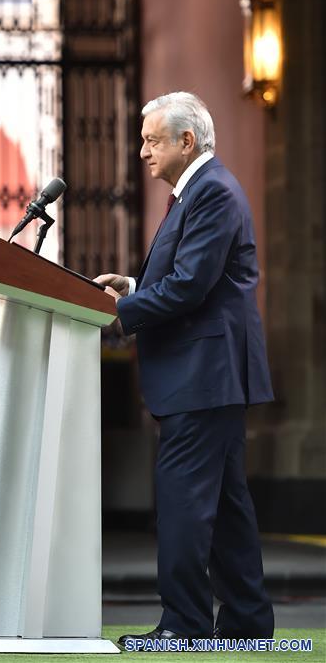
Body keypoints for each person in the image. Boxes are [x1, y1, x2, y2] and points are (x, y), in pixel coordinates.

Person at [96, 92, 274, 647]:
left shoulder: (212, 192)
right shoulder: (197, 191)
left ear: (186, 141)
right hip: (207, 376)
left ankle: (184, 625)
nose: (142, 150)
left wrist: (117, 313)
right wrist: (135, 289)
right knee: (224, 509)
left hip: (204, 376)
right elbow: (190, 279)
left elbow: (192, 286)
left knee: (182, 508)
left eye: (152, 139)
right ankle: (245, 624)